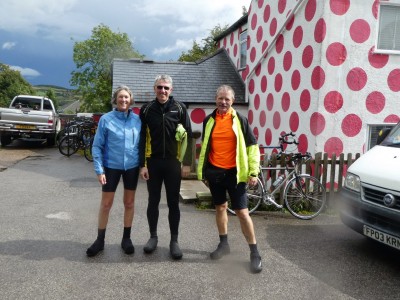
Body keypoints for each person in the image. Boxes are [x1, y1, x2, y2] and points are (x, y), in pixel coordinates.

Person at [197, 85, 262, 273]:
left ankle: (255, 253)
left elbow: (252, 147)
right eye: (220, 98)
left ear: (233, 101)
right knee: (220, 207)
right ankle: (224, 244)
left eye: (227, 99)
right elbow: (206, 146)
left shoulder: (240, 120)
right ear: (215, 99)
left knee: (242, 212)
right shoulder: (208, 120)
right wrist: (204, 172)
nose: (223, 102)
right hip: (215, 172)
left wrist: (253, 172)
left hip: (235, 173)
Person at [139, 74, 192, 260]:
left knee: (173, 203)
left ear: (171, 90)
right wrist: (142, 165)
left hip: (172, 163)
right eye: (160, 87)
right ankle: (153, 237)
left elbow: (188, 136)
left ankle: (174, 241)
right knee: (153, 201)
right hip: (152, 162)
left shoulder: (180, 108)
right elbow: (142, 138)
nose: (163, 91)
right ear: (154, 89)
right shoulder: (146, 110)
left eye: (166, 88)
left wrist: (186, 163)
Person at [86, 85, 141, 257]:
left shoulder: (137, 120)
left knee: (129, 203)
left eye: (126, 97)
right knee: (106, 204)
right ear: (115, 100)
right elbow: (96, 146)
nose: (123, 100)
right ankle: (100, 240)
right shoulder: (106, 119)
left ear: (130, 100)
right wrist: (99, 169)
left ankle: (126, 239)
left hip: (131, 167)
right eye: (120, 97)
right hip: (111, 167)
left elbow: (142, 144)